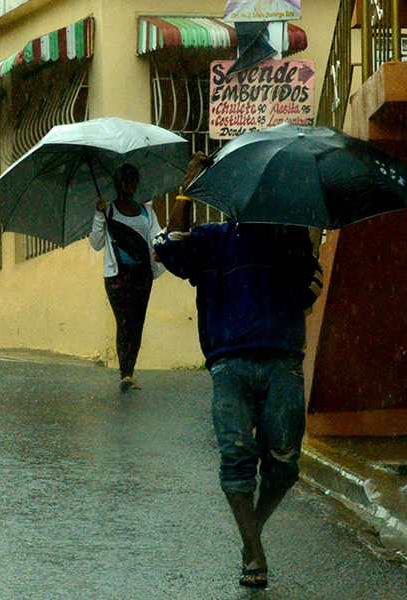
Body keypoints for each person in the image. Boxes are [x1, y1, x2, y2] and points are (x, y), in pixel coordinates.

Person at [153, 152, 323, 588]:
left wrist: (305, 244)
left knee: (284, 464)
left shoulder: (290, 236)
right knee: (236, 459)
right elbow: (170, 249)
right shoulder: (212, 239)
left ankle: (253, 532)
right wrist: (187, 190)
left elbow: (309, 286)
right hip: (228, 363)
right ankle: (255, 552)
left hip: (283, 359)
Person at [89, 163, 166, 392]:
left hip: (142, 274)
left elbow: (156, 237)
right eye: (124, 180)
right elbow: (96, 243)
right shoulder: (108, 210)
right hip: (117, 276)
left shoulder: (146, 211)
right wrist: (99, 215)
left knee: (137, 323)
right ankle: (125, 375)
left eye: (132, 180)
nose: (129, 184)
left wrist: (161, 250)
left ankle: (130, 371)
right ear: (116, 183)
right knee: (124, 322)